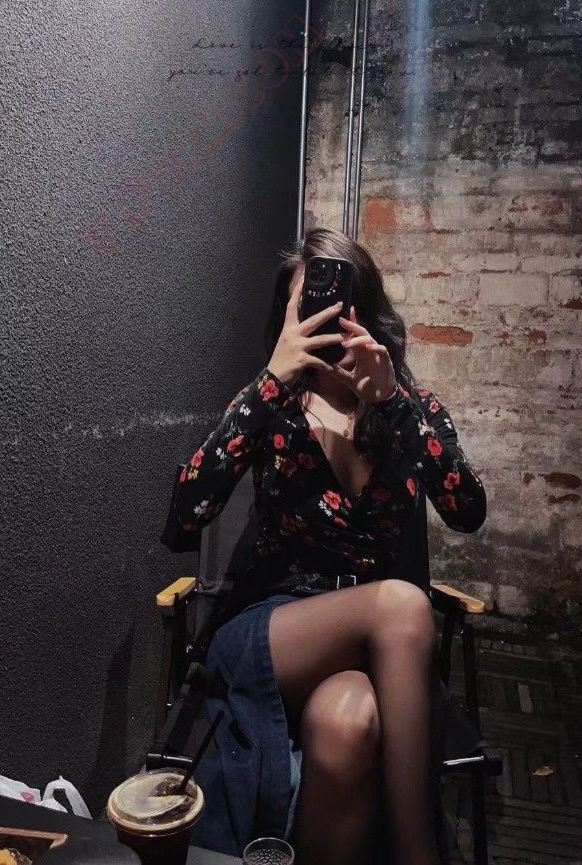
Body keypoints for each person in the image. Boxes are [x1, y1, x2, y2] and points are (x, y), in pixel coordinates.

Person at [173, 228, 486, 865]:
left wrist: (392, 402)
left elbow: (467, 512)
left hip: (375, 654)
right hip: (274, 629)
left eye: (338, 306)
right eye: (306, 306)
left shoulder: (408, 408)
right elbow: (182, 521)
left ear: (366, 316)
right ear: (286, 318)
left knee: (349, 719)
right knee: (403, 604)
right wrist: (270, 381)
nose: (324, 321)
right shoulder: (272, 407)